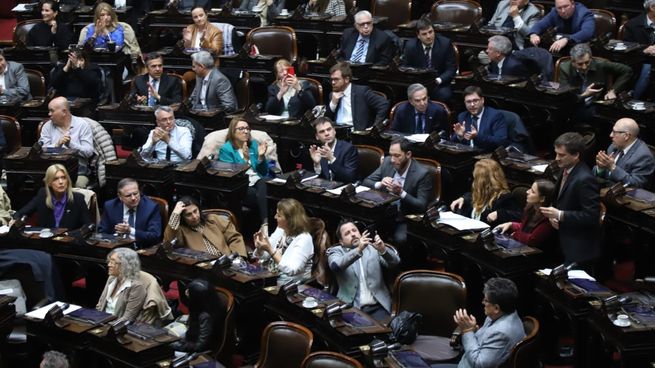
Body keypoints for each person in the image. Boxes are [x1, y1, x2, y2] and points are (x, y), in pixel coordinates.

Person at [540, 132, 600, 266]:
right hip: (559, 238)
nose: (556, 158)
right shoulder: (565, 168)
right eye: (556, 153)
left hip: (577, 246)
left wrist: (560, 215)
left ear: (576, 155)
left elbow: (591, 216)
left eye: (561, 155)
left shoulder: (586, 179)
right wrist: (552, 216)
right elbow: (558, 201)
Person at [363, 138, 435, 245]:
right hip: (384, 212)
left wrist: (401, 193)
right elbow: (366, 182)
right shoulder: (387, 162)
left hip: (405, 216)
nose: (392, 159)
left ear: (408, 154)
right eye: (391, 154)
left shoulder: (422, 174)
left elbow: (421, 205)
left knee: (400, 239)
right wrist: (380, 184)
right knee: (366, 229)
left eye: (397, 156)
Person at [327, 220, 400, 321]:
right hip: (350, 307)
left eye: (354, 230)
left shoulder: (372, 248)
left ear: (360, 233)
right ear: (341, 242)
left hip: (378, 307)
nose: (353, 234)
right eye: (347, 233)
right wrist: (358, 250)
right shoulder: (336, 251)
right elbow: (335, 266)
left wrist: (383, 250)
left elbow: (394, 263)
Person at [447, 278, 525, 368]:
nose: (482, 302)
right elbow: (483, 342)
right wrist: (473, 330)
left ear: (496, 308)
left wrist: (467, 331)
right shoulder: (502, 314)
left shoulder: (501, 332)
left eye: (486, 300)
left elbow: (478, 363)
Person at [558, 43, 632, 123]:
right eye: (580, 64)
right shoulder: (565, 68)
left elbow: (627, 71)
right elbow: (565, 97)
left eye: (587, 62)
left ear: (591, 58)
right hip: (574, 104)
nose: (584, 67)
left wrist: (613, 90)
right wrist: (585, 95)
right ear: (572, 62)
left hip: (595, 103)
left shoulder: (600, 64)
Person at [218, 119, 268, 226]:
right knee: (263, 196)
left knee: (264, 183)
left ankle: (265, 224)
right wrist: (245, 160)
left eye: (247, 128)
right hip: (241, 185)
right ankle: (265, 224)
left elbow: (264, 172)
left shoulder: (253, 145)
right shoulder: (226, 149)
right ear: (233, 131)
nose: (246, 131)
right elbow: (233, 175)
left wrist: (261, 157)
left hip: (258, 181)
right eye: (241, 129)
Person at [253, 198, 314, 285]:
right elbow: (265, 256)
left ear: (290, 219)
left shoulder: (304, 239)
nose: (275, 217)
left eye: (279, 215)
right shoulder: (281, 230)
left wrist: (270, 250)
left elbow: (291, 270)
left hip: (291, 285)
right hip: (272, 277)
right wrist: (260, 248)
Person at [39, 97, 94, 188]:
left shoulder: (82, 125)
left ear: (64, 112)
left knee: (78, 187)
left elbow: (88, 152)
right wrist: (57, 145)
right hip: (54, 169)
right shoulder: (47, 126)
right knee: (43, 186)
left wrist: (70, 144)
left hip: (78, 170)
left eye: (52, 111)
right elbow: (42, 151)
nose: (49, 114)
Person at [164, 196, 247, 256]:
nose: (194, 216)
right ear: (182, 217)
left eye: (195, 211)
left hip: (229, 263)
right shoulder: (180, 230)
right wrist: (175, 215)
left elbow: (235, 237)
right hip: (203, 269)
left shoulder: (213, 219)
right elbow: (169, 245)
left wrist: (238, 257)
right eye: (188, 215)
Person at [13, 164, 90, 229]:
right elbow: (19, 214)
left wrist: (71, 235)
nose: (61, 182)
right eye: (56, 179)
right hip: (45, 243)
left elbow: (88, 226)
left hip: (69, 243)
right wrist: (16, 221)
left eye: (63, 178)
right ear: (49, 183)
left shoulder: (78, 199)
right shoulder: (42, 195)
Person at [450, 159, 520, 227]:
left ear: (482, 182)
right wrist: (463, 198)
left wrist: (500, 214)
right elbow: (470, 195)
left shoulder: (505, 199)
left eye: (475, 178)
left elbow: (519, 217)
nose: (473, 181)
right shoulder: (478, 194)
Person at [402, 17, 457, 102]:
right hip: (418, 83)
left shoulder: (445, 44)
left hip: (439, 83)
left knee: (446, 95)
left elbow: (451, 69)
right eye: (424, 34)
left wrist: (438, 80)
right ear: (418, 35)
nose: (428, 36)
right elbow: (405, 67)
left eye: (430, 32)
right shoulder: (410, 46)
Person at [98, 178, 163, 248]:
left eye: (136, 193)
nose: (133, 198)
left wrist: (130, 230)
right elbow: (102, 231)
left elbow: (155, 236)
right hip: (116, 248)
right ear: (120, 197)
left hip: (141, 249)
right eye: (128, 195)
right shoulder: (110, 206)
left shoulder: (151, 207)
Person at [593, 118, 655, 189]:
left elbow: (636, 184)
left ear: (626, 136)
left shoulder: (643, 156)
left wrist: (612, 167)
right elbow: (602, 175)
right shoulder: (613, 146)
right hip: (605, 190)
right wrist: (601, 168)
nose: (610, 135)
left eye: (614, 132)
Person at [324, 62, 388, 130]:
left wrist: (375, 127)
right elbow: (327, 119)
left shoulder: (361, 92)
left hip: (356, 134)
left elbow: (383, 104)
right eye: (332, 79)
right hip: (337, 131)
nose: (333, 83)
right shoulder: (332, 95)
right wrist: (333, 104)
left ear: (346, 79)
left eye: (336, 79)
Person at [495, 179, 556, 247]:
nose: (527, 191)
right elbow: (525, 228)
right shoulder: (531, 208)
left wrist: (515, 234)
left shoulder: (548, 218)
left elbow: (532, 240)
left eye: (532, 191)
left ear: (542, 199)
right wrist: (511, 224)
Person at [170, 279, 225, 352]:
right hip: (191, 340)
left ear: (196, 298)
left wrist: (178, 346)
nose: (186, 293)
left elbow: (201, 345)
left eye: (190, 292)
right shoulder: (204, 305)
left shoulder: (205, 316)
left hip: (201, 351)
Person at [96, 248, 146, 323]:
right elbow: (100, 306)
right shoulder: (111, 279)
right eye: (109, 261)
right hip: (101, 323)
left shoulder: (137, 287)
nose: (109, 265)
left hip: (117, 329)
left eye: (113, 262)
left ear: (125, 265)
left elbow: (127, 318)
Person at [451, 86, 508, 152]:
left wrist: (477, 136)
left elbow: (501, 142)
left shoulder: (495, 116)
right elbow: (452, 142)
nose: (472, 104)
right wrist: (459, 136)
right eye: (468, 102)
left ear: (482, 100)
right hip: (467, 155)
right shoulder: (462, 116)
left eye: (475, 100)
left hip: (487, 156)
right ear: (465, 103)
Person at [528, 0, 595, 53]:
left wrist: (567, 39)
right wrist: (533, 34)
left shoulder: (585, 13)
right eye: (559, 8)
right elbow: (541, 24)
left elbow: (587, 32)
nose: (563, 11)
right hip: (560, 49)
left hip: (579, 50)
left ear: (573, 4)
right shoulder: (555, 12)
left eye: (566, 6)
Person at [309, 117, 358, 183]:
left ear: (334, 131)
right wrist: (317, 164)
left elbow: (350, 178)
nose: (326, 133)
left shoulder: (348, 149)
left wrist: (332, 159)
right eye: (322, 131)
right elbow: (324, 179)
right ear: (317, 136)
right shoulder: (318, 151)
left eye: (329, 129)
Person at [624, 1, 655, 100]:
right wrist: (644, 50)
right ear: (652, 7)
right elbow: (627, 48)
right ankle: (634, 101)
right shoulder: (632, 25)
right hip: (640, 60)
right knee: (647, 69)